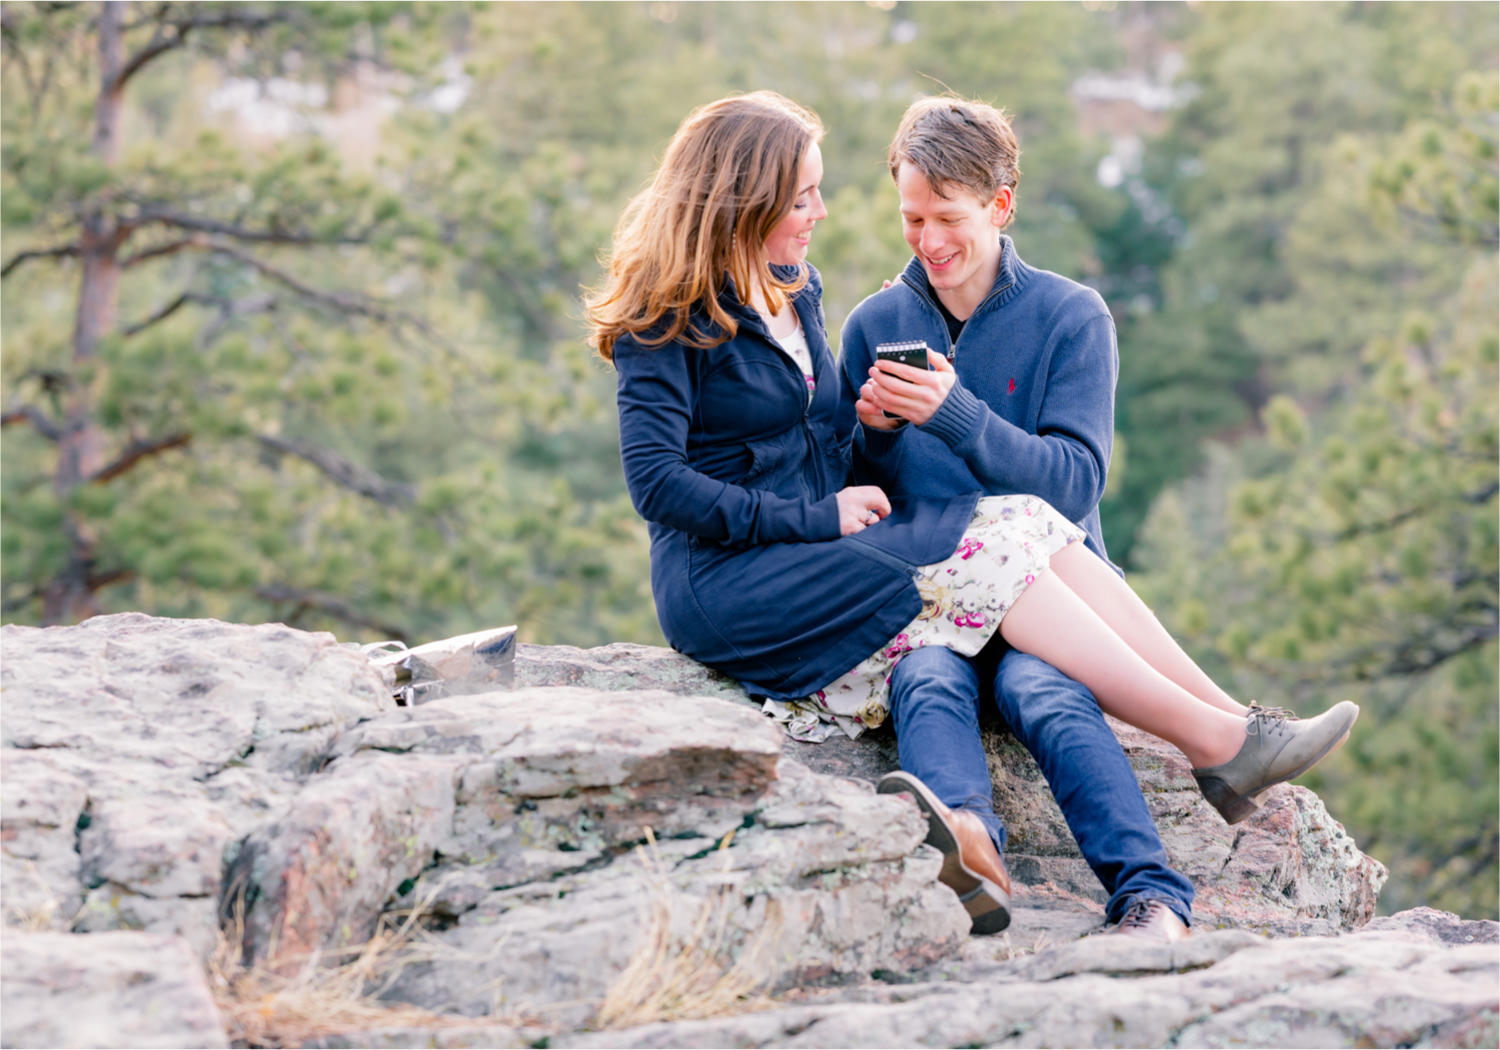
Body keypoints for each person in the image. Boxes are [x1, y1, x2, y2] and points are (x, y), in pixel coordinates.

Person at [588, 91, 1357, 940]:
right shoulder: (689, 318)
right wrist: (852, 471)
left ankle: (1165, 834)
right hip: (777, 575)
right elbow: (662, 484)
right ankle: (1217, 741)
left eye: (818, 191)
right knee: (969, 591)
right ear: (748, 199)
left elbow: (1022, 482)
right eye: (806, 195)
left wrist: (885, 425)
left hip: (952, 587)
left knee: (1002, 618)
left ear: (1000, 205)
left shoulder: (811, 294)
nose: (824, 211)